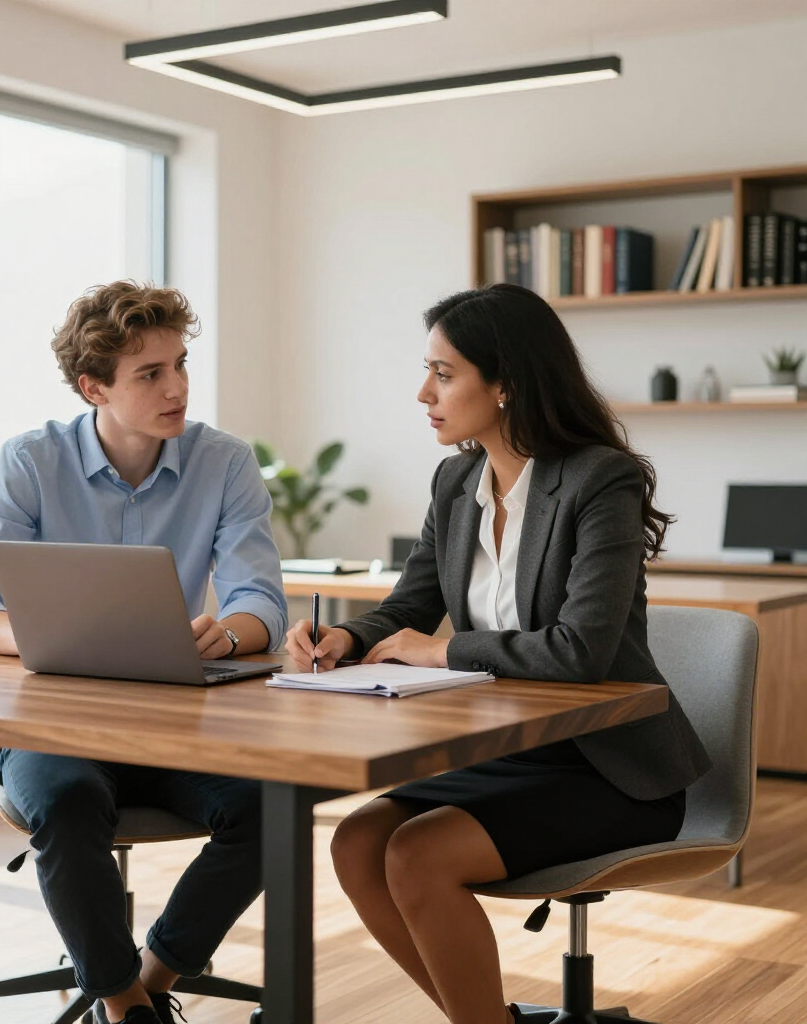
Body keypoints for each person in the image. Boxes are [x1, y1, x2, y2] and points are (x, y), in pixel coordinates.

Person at [285, 283, 711, 1024]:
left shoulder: (597, 480)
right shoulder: (456, 481)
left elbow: (581, 650)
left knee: (418, 856)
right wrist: (348, 637)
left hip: (604, 763)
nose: (424, 392)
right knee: (358, 842)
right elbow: (410, 605)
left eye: (444, 374)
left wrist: (445, 651)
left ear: (506, 383)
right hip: (500, 749)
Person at [0, 280, 287, 1024]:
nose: (178, 387)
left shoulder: (223, 463)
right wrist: (43, 636)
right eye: (150, 374)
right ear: (92, 386)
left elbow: (260, 602)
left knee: (273, 808)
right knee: (65, 803)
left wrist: (224, 631)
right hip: (51, 728)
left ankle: (146, 983)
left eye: (181, 364)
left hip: (174, 727)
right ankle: (127, 1006)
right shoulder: (29, 462)